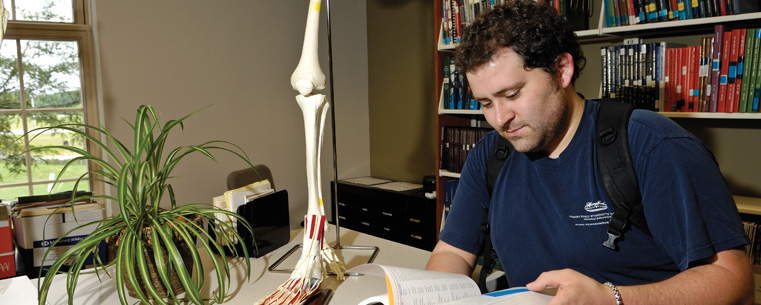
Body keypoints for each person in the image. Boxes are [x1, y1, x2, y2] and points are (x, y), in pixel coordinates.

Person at [425, 0, 755, 304]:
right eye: (486, 103)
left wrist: (611, 298)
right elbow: (453, 251)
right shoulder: (489, 155)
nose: (499, 119)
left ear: (562, 70)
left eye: (511, 95)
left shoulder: (653, 145)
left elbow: (734, 281)